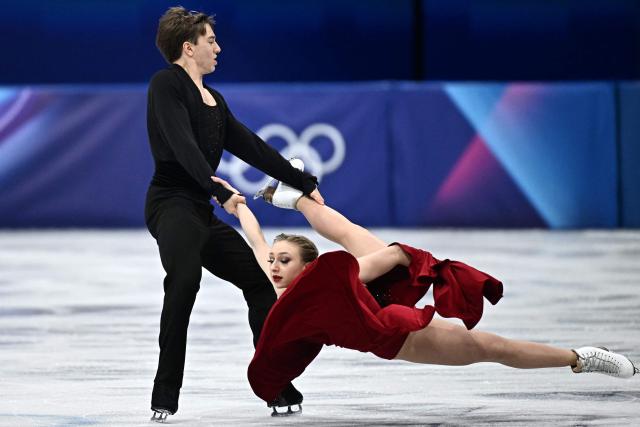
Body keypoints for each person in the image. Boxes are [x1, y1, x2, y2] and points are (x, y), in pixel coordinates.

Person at [211, 162, 638, 415]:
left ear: (308, 265)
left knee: (350, 238)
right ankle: (578, 357)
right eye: (274, 262)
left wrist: (401, 256)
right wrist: (238, 205)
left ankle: (582, 358)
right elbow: (257, 242)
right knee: (489, 347)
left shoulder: (326, 274)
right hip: (388, 328)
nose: (274, 267)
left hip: (369, 295)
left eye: (285, 261)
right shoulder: (297, 283)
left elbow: (366, 259)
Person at [145, 7, 324, 422]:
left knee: (260, 280)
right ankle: (164, 394)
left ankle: (274, 382)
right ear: (188, 47)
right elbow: (181, 145)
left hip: (199, 210)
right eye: (210, 40)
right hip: (170, 203)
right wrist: (216, 188)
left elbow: (252, 147)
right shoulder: (166, 85)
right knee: (185, 280)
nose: (218, 47)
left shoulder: (215, 101)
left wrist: (305, 180)